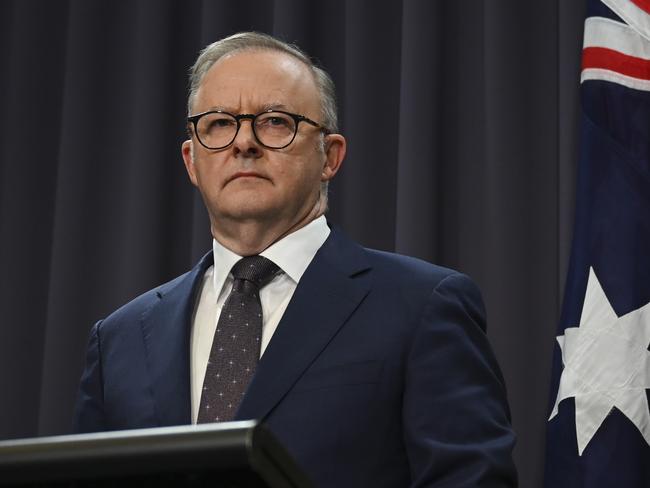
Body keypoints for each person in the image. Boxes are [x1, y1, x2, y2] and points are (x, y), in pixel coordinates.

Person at [73, 32, 517, 487]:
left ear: (330, 156)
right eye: (219, 124)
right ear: (191, 160)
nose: (243, 142)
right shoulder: (119, 340)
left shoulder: (422, 307)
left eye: (275, 122)